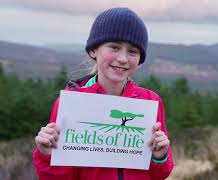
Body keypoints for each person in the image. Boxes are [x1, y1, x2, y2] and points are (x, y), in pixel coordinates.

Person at [33, 7, 174, 180]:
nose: (123, 58)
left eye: (133, 51)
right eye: (114, 47)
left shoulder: (151, 101)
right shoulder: (71, 102)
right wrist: (48, 155)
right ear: (93, 50)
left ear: (140, 58)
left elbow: (160, 174)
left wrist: (159, 157)